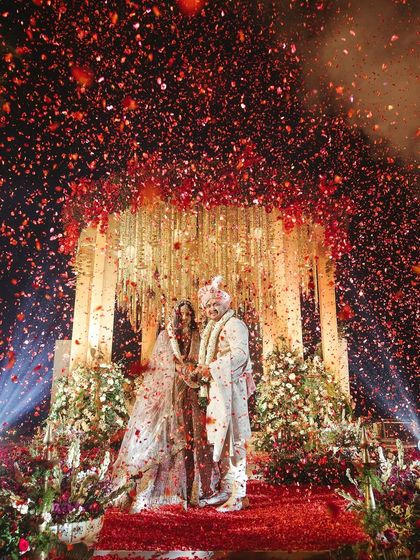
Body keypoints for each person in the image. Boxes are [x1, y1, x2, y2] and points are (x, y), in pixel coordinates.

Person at [112, 300, 214, 511]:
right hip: (170, 394)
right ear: (176, 316)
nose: (184, 318)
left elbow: (202, 361)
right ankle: (160, 491)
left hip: (193, 394)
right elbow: (161, 365)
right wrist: (181, 370)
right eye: (181, 314)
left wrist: (193, 372)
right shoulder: (167, 337)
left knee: (194, 440)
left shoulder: (198, 336)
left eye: (188, 314)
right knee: (168, 439)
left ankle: (194, 490)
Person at [195, 276, 256, 512]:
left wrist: (210, 368)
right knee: (221, 441)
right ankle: (227, 489)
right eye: (208, 305)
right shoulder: (212, 328)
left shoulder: (234, 325)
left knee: (235, 440)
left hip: (232, 389)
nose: (212, 308)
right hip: (218, 389)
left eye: (216, 304)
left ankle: (239, 495)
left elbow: (240, 356)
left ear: (225, 305)